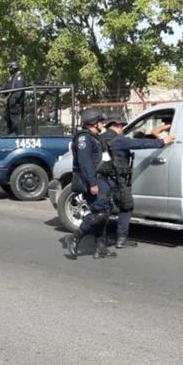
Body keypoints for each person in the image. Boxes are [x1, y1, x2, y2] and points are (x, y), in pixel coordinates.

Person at [102, 115, 175, 248]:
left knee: (104, 209)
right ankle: (121, 239)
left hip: (102, 180)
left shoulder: (100, 139)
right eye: (122, 127)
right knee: (126, 206)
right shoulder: (118, 140)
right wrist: (162, 142)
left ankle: (102, 239)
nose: (123, 130)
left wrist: (153, 135)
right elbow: (139, 143)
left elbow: (135, 141)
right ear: (118, 126)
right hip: (118, 180)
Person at [61, 109, 115, 259]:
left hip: (101, 179)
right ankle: (76, 237)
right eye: (100, 122)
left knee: (105, 210)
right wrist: (92, 183)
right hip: (92, 180)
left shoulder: (94, 138)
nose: (102, 125)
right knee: (100, 212)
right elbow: (85, 164)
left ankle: (100, 247)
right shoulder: (84, 138)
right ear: (93, 122)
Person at [4, 61, 26, 135]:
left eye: (10, 68)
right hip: (10, 105)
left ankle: (16, 134)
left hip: (16, 105)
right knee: (7, 118)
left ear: (14, 68)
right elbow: (7, 87)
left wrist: (13, 101)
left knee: (15, 121)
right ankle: (10, 133)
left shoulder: (19, 77)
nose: (9, 70)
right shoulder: (13, 77)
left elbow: (18, 92)